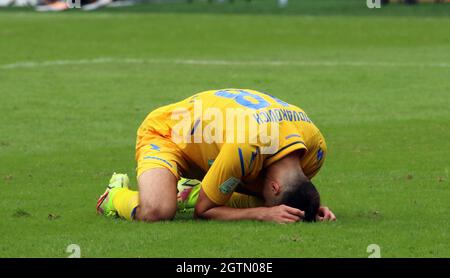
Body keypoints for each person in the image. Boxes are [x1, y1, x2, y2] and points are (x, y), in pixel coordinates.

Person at [96, 89, 336, 223]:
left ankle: (187, 192)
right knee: (157, 212)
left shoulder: (315, 152)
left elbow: (292, 188)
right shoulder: (245, 149)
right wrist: (263, 213)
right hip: (168, 133)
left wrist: (309, 207)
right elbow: (205, 212)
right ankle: (114, 196)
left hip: (213, 146)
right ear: (274, 187)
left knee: (265, 200)